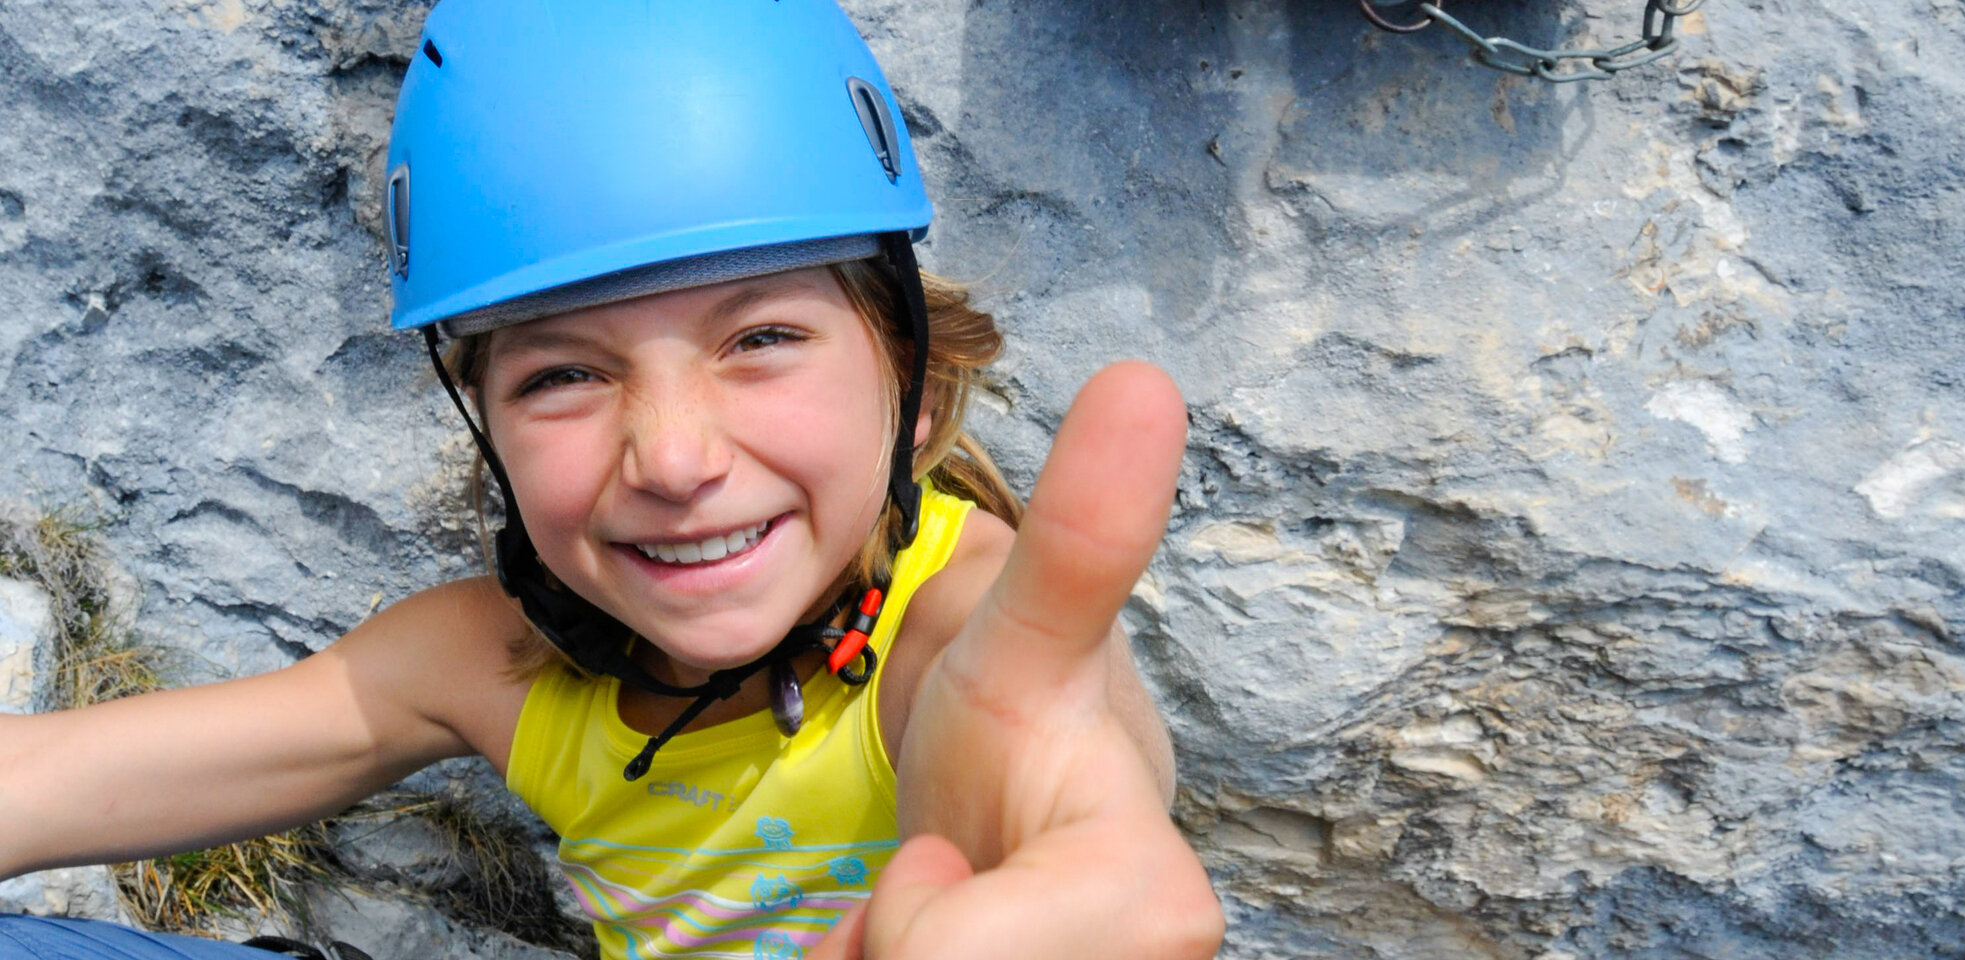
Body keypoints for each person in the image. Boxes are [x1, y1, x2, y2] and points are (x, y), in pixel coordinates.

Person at [0, 1, 1225, 959]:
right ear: (490, 429)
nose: (676, 461)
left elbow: (1041, 716)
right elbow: (47, 783)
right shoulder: (490, 665)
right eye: (562, 378)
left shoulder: (953, 635)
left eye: (761, 341)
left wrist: (1072, 833)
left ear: (911, 395)